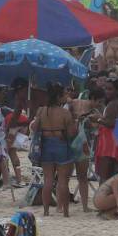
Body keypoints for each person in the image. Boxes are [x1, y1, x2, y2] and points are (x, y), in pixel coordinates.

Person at [32, 81, 76, 217]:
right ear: (58, 97)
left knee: (48, 180)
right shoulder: (65, 113)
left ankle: (46, 211)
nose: (65, 97)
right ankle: (66, 212)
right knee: (63, 180)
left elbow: (34, 128)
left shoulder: (41, 110)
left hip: (46, 145)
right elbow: (71, 133)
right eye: (63, 95)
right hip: (61, 144)